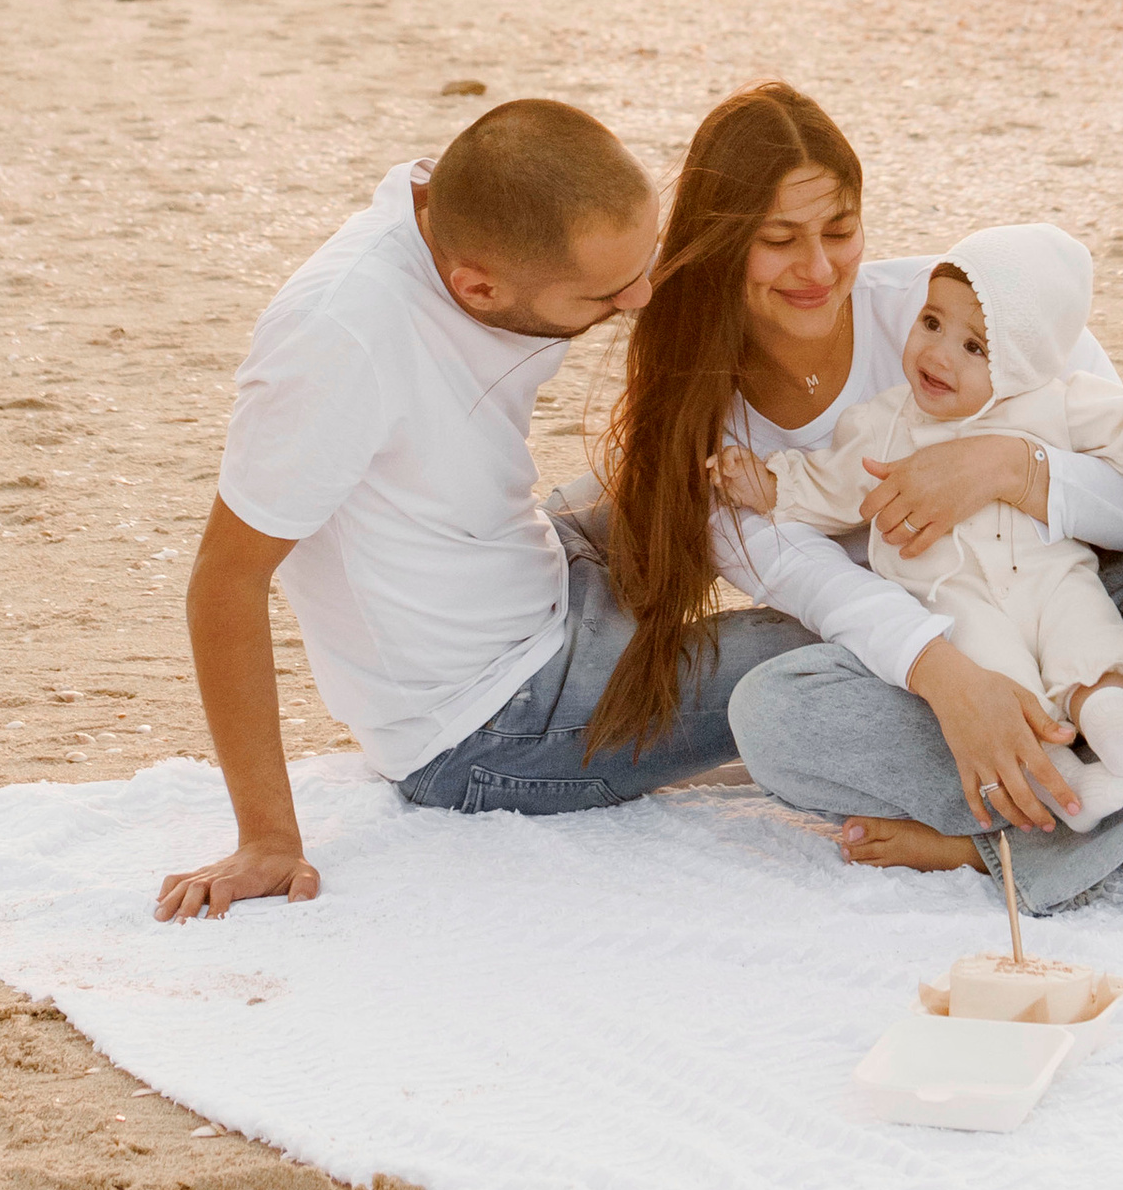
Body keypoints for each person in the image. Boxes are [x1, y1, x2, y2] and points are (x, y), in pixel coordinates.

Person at [598, 81, 1123, 914]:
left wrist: (1012, 468)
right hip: (966, 656)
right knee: (773, 714)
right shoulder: (704, 427)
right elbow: (831, 596)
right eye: (779, 240)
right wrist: (955, 686)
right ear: (721, 242)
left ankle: (1050, 836)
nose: (819, 268)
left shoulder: (977, 302)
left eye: (840, 230)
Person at [156, 98, 807, 920]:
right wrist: (267, 839)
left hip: (535, 571)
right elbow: (224, 581)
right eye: (608, 294)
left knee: (734, 474)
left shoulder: (466, 206)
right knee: (830, 649)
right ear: (477, 287)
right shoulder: (336, 340)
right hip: (492, 725)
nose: (641, 297)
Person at [719, 225, 1123, 825]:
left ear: (1020, 362)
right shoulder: (883, 424)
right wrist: (769, 485)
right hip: (953, 597)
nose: (938, 354)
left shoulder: (1050, 403)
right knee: (997, 676)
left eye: (974, 347)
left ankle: (1111, 717)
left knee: (1086, 630)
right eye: (931, 323)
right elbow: (831, 485)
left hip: (1051, 575)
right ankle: (1065, 783)